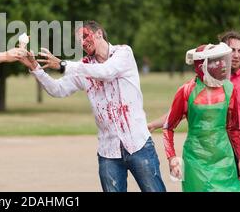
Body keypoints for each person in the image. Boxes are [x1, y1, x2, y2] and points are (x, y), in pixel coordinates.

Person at [19, 21, 166, 192]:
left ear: (99, 34)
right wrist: (35, 68)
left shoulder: (123, 53)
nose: (82, 43)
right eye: (78, 41)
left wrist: (63, 65)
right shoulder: (83, 67)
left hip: (138, 144)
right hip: (108, 151)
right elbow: (58, 89)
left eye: (84, 36)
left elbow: (106, 72)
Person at [147, 30, 240, 190]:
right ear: (203, 65)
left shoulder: (229, 88)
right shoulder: (187, 91)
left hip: (224, 157)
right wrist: (172, 158)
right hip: (195, 159)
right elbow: (170, 125)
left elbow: (232, 128)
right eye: (217, 61)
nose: (223, 65)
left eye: (222, 61)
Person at [218, 31, 240, 190]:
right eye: (232, 50)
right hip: (222, 148)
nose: (237, 55)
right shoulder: (213, 81)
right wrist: (155, 124)